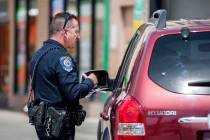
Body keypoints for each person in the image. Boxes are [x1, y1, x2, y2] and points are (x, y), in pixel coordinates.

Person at [29, 12, 98, 140]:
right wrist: (90, 81)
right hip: (59, 127)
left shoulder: (37, 55)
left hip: (43, 125)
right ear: (65, 32)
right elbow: (73, 93)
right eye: (76, 31)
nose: (78, 36)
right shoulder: (62, 58)